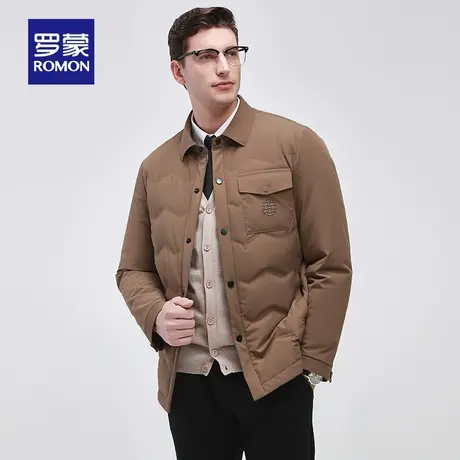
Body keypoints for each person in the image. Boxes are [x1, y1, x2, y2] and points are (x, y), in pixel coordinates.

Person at [116, 6, 352, 460]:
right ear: (178, 71)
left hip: (276, 379)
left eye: (232, 52)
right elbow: (132, 269)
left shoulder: (296, 145)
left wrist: (311, 366)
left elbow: (331, 263)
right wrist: (156, 316)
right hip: (190, 385)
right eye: (206, 56)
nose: (224, 67)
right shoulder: (155, 168)